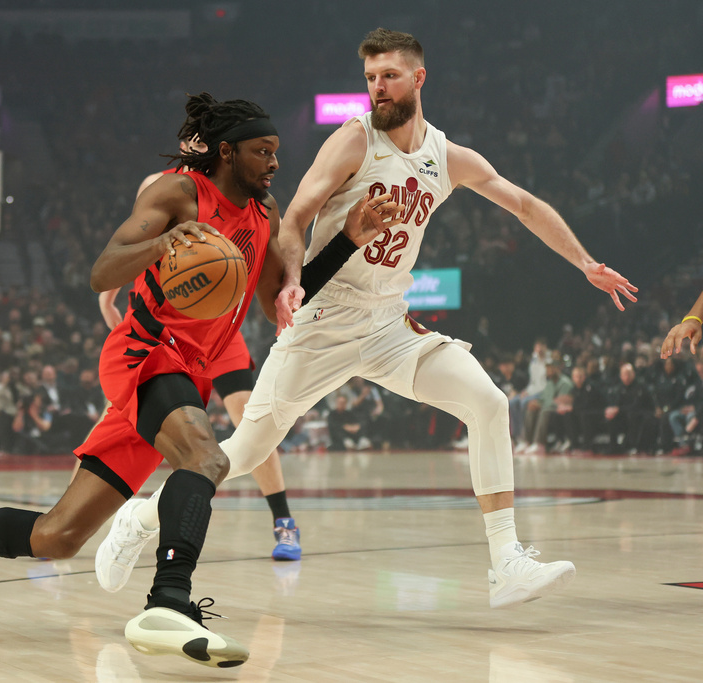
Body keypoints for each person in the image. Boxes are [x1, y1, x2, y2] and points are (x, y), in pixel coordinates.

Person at [0, 92, 401, 668]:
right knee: (206, 460)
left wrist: (347, 241)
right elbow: (100, 272)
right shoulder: (177, 192)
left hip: (186, 374)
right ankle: (169, 600)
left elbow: (276, 304)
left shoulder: (264, 215)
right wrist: (161, 244)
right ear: (227, 151)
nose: (274, 163)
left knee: (57, 537)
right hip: (144, 355)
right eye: (262, 151)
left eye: (275, 152)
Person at [99, 28, 638, 609]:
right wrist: (292, 281)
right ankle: (143, 515)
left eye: (389, 76)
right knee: (247, 450)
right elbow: (294, 214)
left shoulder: (448, 157)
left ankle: (506, 562)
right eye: (370, 79)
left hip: (387, 327)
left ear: (418, 78)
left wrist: (585, 263)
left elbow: (525, 205)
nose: (378, 88)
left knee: (488, 402)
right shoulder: (353, 141)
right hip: (322, 323)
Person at [94, 135, 303, 573]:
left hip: (215, 331)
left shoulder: (244, 198)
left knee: (250, 416)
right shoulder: (163, 186)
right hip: (161, 328)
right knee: (119, 418)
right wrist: (110, 297)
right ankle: (90, 517)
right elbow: (139, 243)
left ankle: (283, 520)